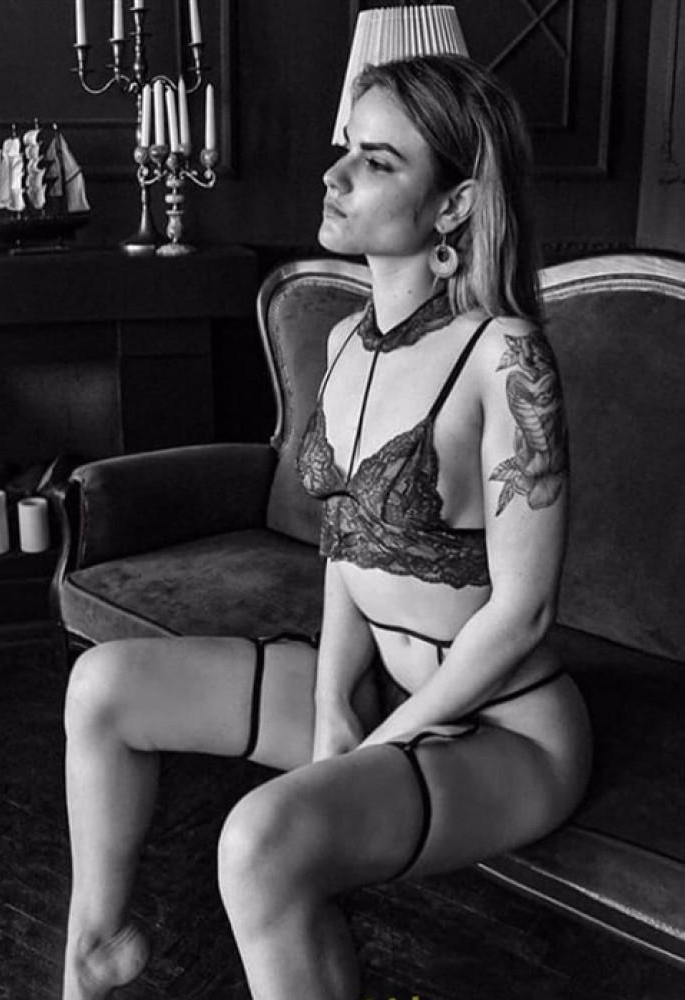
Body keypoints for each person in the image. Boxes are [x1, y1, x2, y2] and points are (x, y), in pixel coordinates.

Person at [61, 53, 592, 1000]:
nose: (335, 174)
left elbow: (525, 612)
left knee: (259, 841)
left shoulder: (505, 355)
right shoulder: (345, 340)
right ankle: (90, 958)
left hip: (508, 733)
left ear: (455, 205)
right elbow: (346, 542)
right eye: (346, 147)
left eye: (378, 161)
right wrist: (334, 705)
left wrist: (388, 744)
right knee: (102, 688)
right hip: (390, 691)